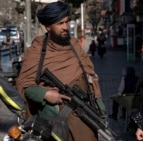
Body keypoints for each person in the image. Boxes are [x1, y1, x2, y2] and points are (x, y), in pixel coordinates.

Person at [16, 1, 106, 141]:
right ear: (48, 26)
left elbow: (91, 77)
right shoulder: (37, 50)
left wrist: (101, 108)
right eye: (60, 23)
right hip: (55, 122)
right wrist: (45, 94)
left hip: (84, 118)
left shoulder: (74, 45)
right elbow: (25, 85)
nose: (65, 27)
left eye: (66, 22)